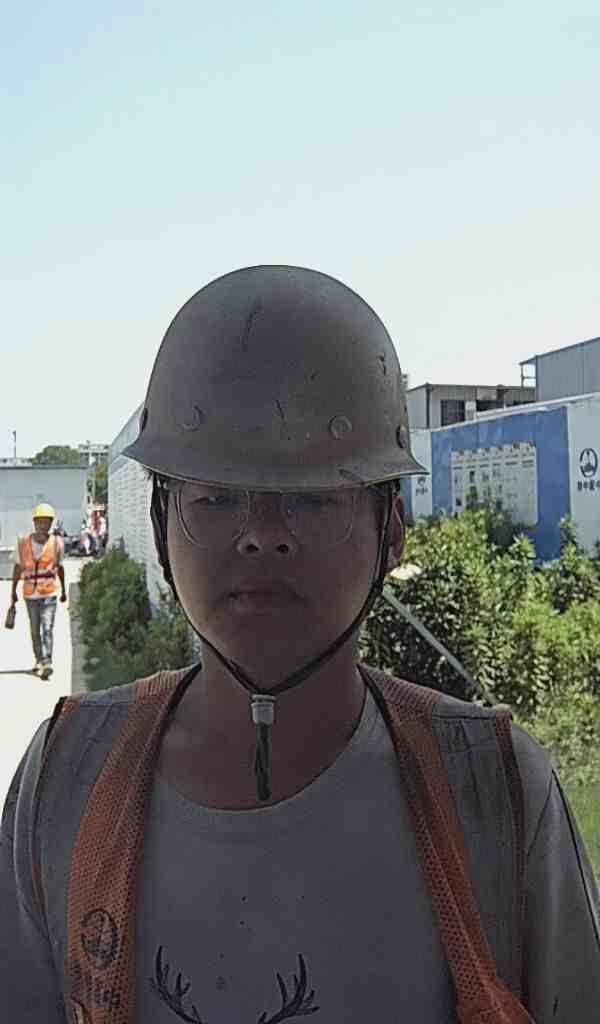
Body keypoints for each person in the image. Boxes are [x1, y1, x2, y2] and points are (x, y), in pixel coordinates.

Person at [1, 267, 599, 1023]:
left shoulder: (496, 795)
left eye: (312, 500)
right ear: (160, 525)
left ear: (392, 532)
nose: (262, 535)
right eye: (217, 498)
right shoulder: (67, 780)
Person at [10, 502, 66, 680]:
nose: (43, 525)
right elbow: (17, 568)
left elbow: (60, 568)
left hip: (49, 593)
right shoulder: (23, 543)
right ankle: (39, 660)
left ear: (51, 523)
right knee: (35, 630)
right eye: (40, 521)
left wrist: (64, 590)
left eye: (47, 522)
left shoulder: (56, 543)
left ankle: (47, 662)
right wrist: (13, 592)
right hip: (30, 595)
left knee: (47, 628)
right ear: (34, 523)